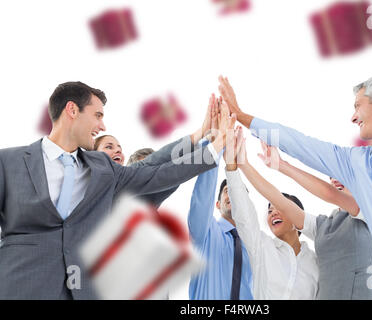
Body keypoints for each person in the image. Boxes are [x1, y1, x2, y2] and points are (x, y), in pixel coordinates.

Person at [218, 75, 372, 299]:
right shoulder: (360, 163)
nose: (353, 117)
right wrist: (242, 117)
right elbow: (301, 144)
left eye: (358, 105)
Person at [0, 81, 231, 299]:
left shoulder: (105, 173)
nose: (102, 125)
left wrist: (209, 144)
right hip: (20, 287)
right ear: (72, 110)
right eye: (97, 115)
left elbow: (154, 170)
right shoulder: (8, 162)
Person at [258, 140, 372, 299]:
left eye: (341, 173)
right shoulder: (322, 225)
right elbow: (281, 202)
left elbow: (329, 193)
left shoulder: (368, 211)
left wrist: (284, 166)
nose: (334, 179)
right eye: (331, 175)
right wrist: (244, 164)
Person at [225, 126, 318, 299]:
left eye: (279, 209)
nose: (272, 213)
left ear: (297, 219)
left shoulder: (317, 263)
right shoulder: (262, 246)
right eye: (269, 210)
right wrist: (232, 168)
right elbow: (245, 216)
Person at [188, 98, 253, 300]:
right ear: (217, 204)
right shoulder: (206, 233)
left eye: (239, 191)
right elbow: (202, 197)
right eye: (227, 191)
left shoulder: (254, 244)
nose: (233, 193)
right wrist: (217, 142)